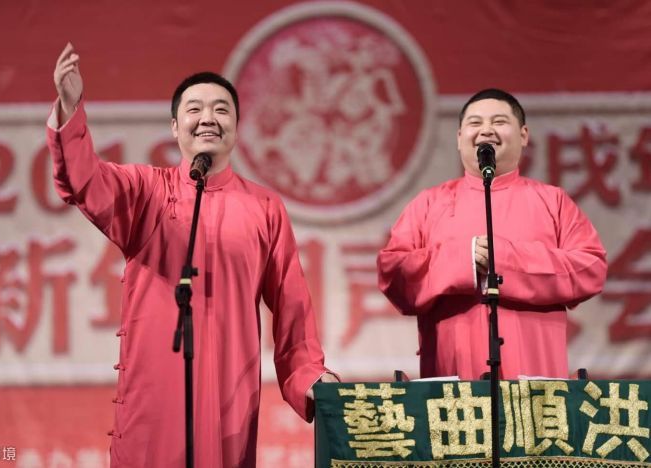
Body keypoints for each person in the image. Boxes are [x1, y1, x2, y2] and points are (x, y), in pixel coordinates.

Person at [48, 43, 337, 467]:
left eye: (221, 110)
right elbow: (84, 180)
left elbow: (292, 307)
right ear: (174, 126)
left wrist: (311, 376)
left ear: (236, 126)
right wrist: (70, 109)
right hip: (155, 395)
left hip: (229, 394)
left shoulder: (264, 207)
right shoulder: (146, 191)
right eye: (194, 109)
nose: (208, 118)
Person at [377, 88, 607, 380]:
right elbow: (393, 273)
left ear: (523, 135)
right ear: (459, 138)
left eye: (499, 121)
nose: (486, 130)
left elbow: (591, 267)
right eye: (475, 123)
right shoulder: (428, 203)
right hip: (452, 376)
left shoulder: (553, 201)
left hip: (536, 376)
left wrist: (508, 259)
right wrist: (462, 260)